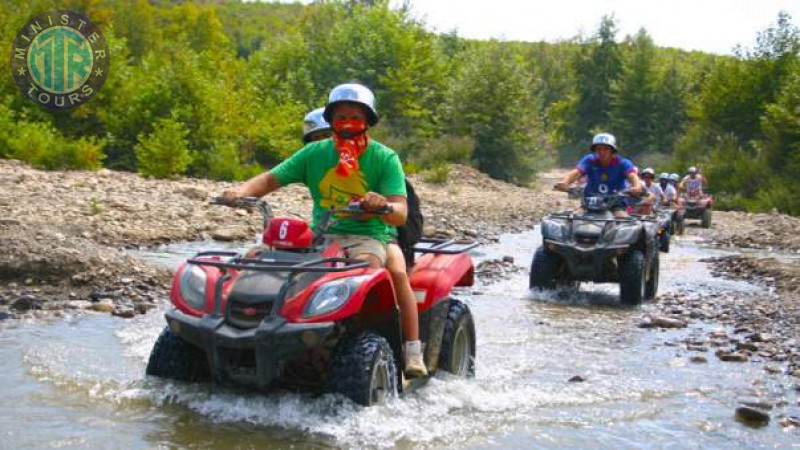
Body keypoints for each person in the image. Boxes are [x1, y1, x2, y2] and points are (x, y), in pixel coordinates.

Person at [222, 83, 428, 377]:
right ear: (331, 120)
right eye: (341, 115)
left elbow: (400, 213)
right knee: (258, 259)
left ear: (368, 121)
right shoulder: (314, 153)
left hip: (369, 235)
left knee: (378, 272)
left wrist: (380, 204)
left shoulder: (385, 158)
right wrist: (240, 191)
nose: (348, 122)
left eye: (356, 116)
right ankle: (256, 327)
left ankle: (411, 350)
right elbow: (270, 179)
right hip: (321, 233)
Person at [555, 132, 651, 218]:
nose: (602, 152)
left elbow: (632, 176)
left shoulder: (622, 163)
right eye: (599, 149)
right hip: (589, 203)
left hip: (616, 204)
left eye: (606, 149)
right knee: (575, 217)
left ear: (612, 150)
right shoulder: (590, 160)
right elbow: (577, 172)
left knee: (621, 217)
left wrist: (637, 186)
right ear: (595, 150)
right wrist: (564, 182)